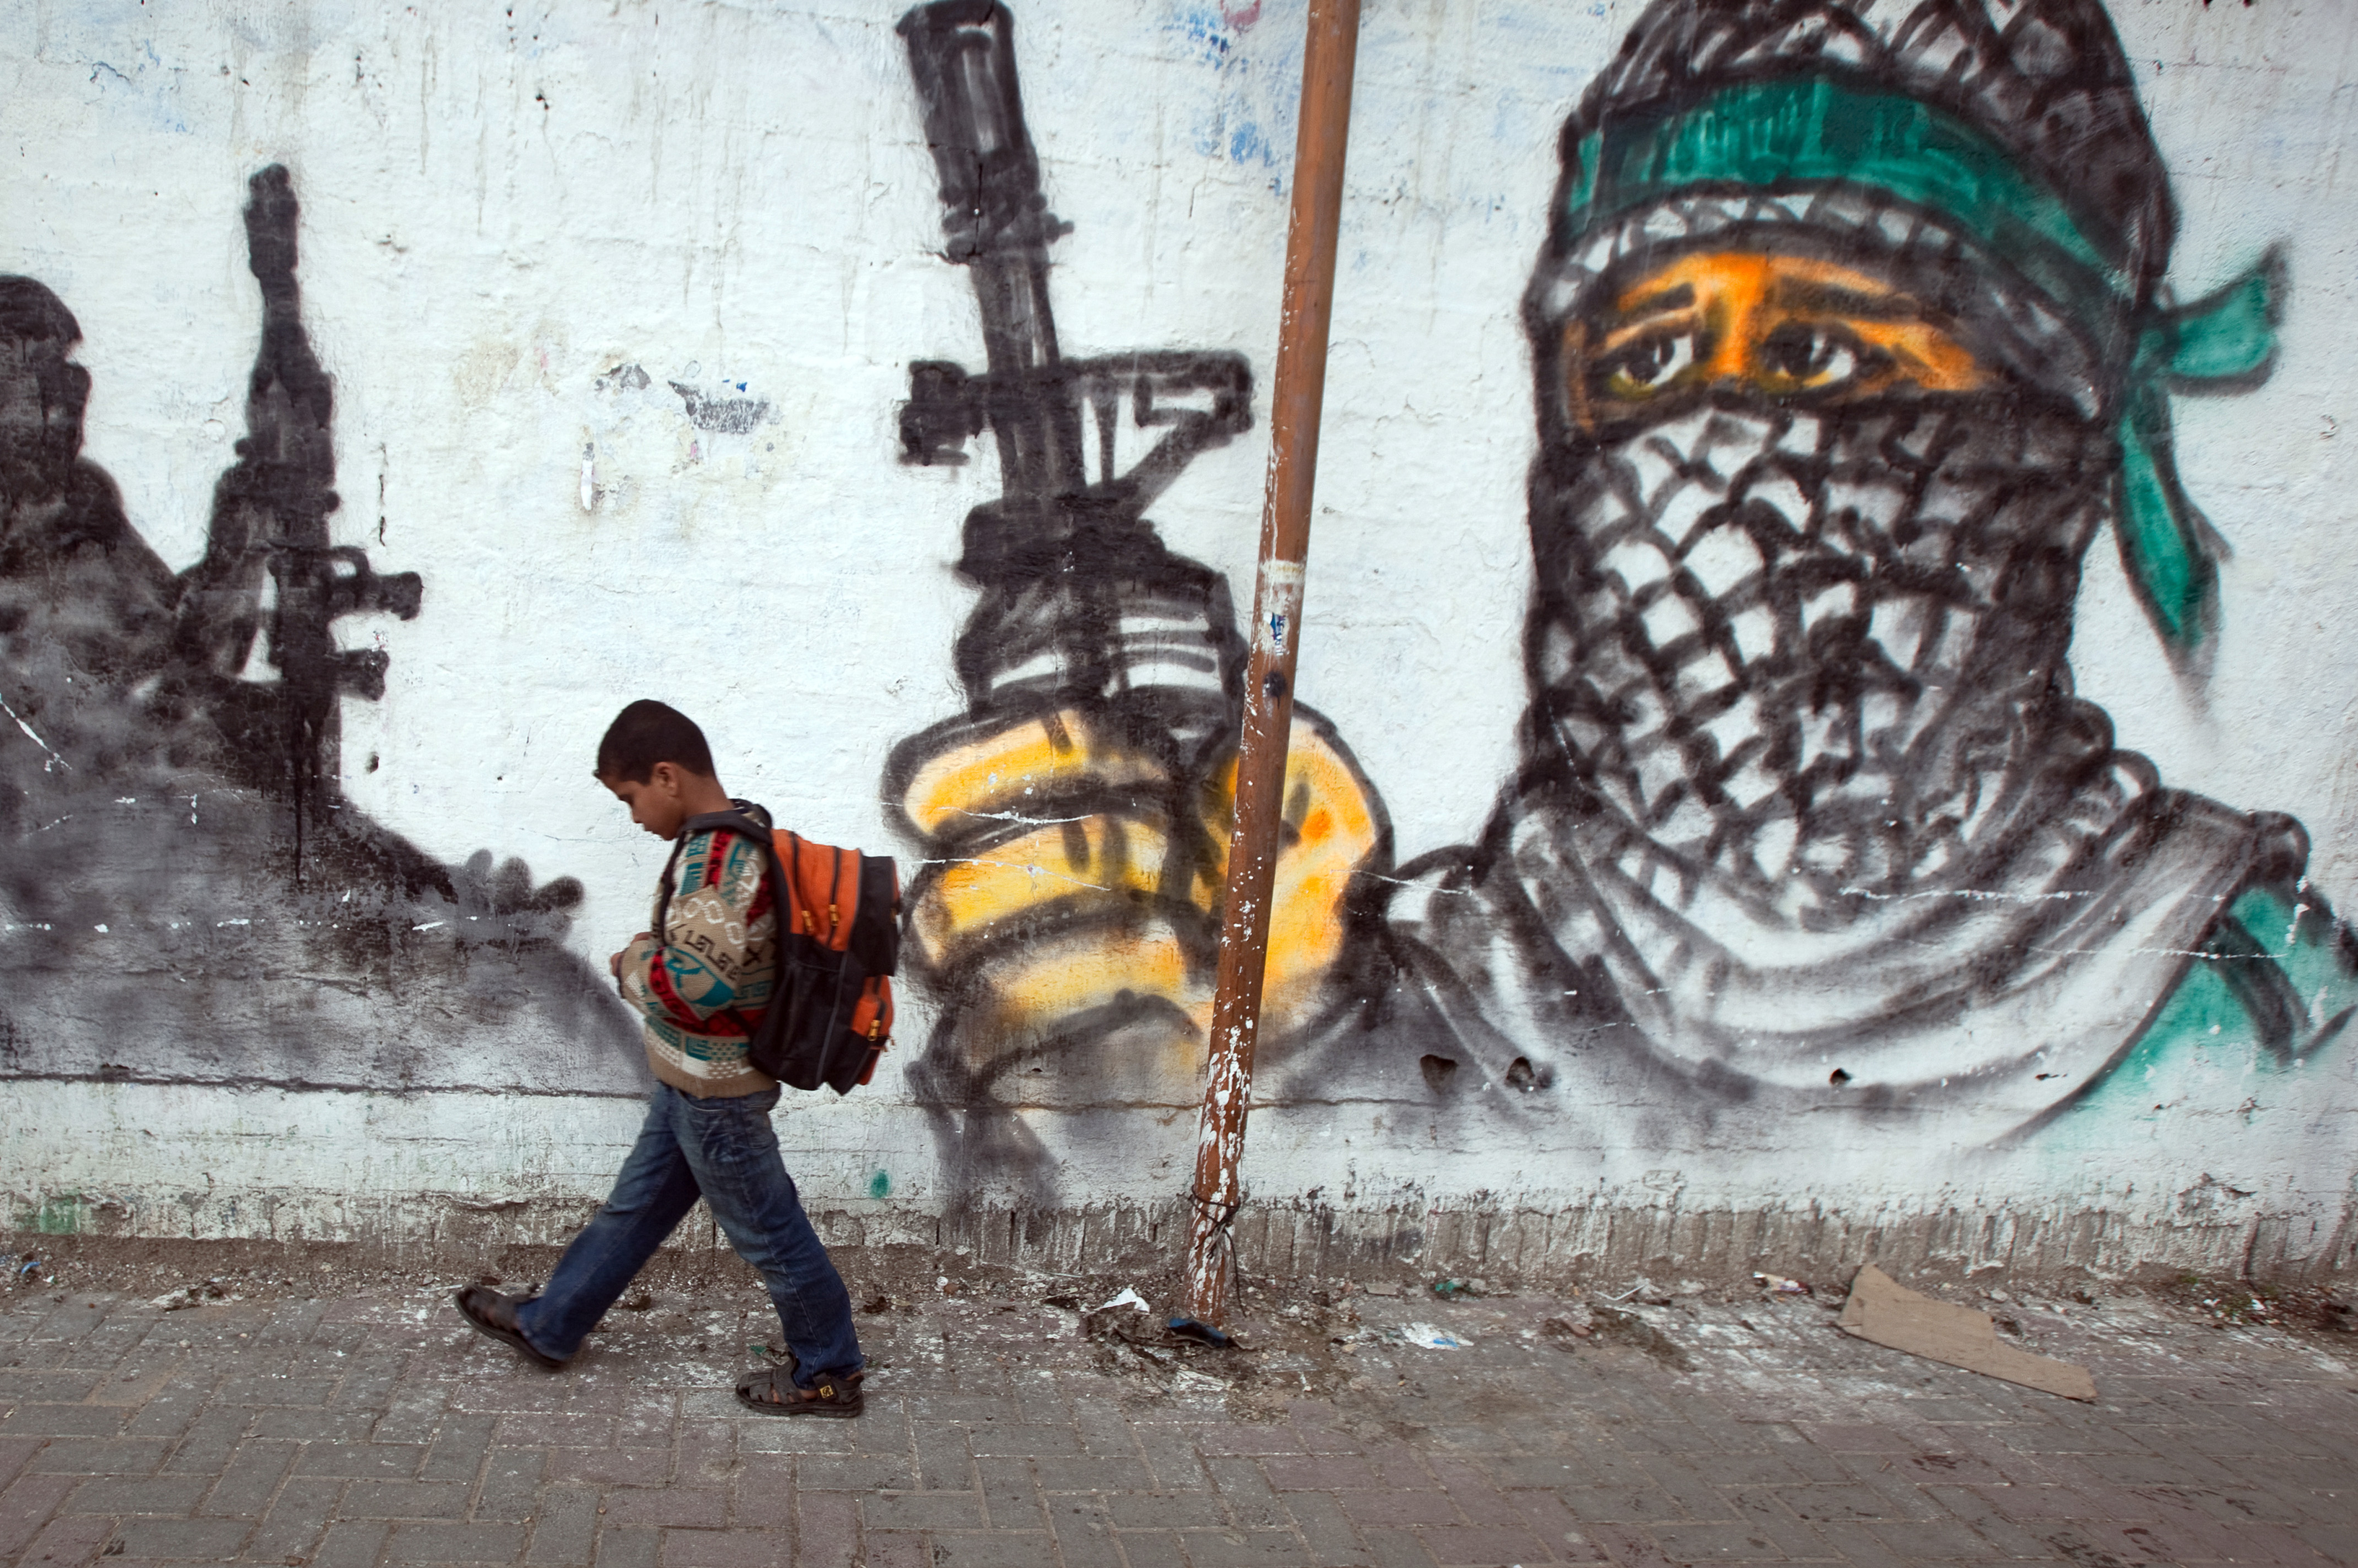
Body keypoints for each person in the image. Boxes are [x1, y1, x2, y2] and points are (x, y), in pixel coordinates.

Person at [888, 0, 2358, 1179]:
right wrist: (1129, 1094)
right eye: (1643, 364)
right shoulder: (1374, 1002)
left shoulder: (2259, 1019)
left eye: (1819, 356)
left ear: (2049, 432)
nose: (1710, 450)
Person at [456, 699, 866, 1416]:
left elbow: (699, 989)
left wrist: (632, 962)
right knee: (632, 1213)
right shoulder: (737, 828)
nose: (633, 816)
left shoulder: (718, 861)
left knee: (773, 1237)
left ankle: (828, 1371)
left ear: (667, 776)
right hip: (690, 1085)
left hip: (717, 1100)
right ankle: (551, 1326)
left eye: (629, 797)